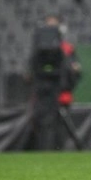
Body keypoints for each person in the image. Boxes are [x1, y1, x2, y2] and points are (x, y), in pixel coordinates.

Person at [27, 15, 83, 150]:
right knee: (40, 121)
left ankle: (59, 147)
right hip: (42, 93)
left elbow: (73, 71)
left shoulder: (67, 49)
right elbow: (31, 70)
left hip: (60, 95)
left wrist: (71, 74)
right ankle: (42, 147)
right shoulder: (38, 51)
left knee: (59, 125)